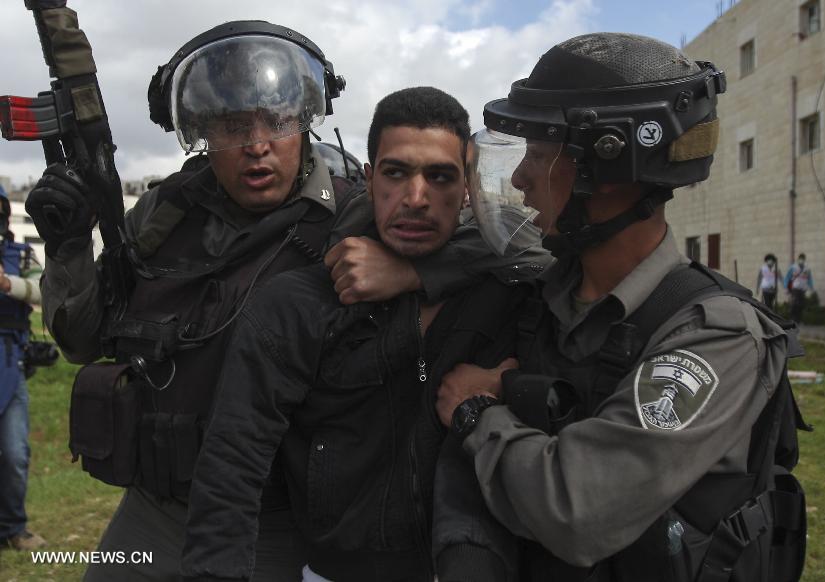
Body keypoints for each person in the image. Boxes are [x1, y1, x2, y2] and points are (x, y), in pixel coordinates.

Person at [27, 22, 543, 581]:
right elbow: (82, 339)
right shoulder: (164, 214)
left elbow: (497, 243)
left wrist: (413, 269)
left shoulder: (353, 207)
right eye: (232, 126)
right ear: (202, 131)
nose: (256, 146)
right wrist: (69, 246)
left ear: (304, 123)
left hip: (273, 517)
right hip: (153, 507)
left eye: (276, 121)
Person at [434, 33, 807, 581]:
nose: (518, 178)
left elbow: (578, 512)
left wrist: (474, 413)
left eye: (539, 154)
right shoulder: (550, 293)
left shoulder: (717, 337)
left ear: (607, 169)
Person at [180, 86, 548, 582]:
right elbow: (232, 465)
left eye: (439, 177)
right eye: (396, 173)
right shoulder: (297, 304)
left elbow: (558, 258)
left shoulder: (507, 291)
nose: (416, 199)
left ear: (467, 190)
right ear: (370, 181)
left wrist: (422, 275)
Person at [0, 191, 45, 552]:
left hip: (10, 361)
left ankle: (14, 528)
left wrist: (7, 284)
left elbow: (44, 290)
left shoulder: (21, 254)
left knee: (15, 453)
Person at [785, 253, 814, 324]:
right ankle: (792, 318)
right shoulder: (793, 267)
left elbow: (809, 278)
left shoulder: (807, 269)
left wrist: (811, 287)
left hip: (803, 289)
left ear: (804, 260)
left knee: (801, 304)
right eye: (800, 259)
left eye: (803, 259)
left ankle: (798, 319)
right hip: (795, 288)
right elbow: (787, 277)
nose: (801, 261)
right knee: (795, 303)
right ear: (798, 260)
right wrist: (786, 287)